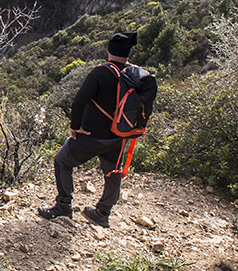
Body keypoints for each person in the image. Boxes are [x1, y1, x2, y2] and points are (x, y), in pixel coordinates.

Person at [37, 31, 156, 228]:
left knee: (62, 160)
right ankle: (102, 213)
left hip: (92, 136)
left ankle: (63, 206)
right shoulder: (136, 75)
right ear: (128, 53)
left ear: (109, 50)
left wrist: (75, 127)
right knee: (113, 173)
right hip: (119, 136)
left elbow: (78, 102)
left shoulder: (101, 73)